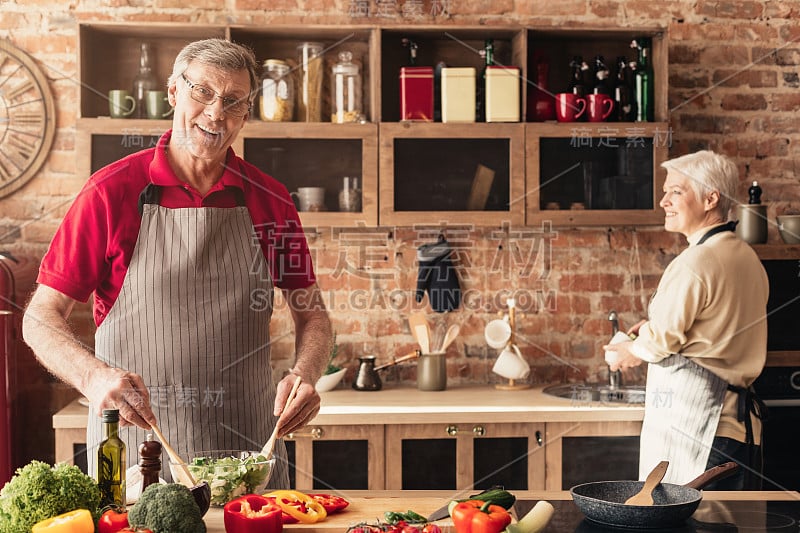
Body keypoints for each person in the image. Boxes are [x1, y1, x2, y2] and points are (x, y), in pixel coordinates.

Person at [22, 38, 332, 488]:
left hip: (247, 460)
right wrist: (91, 377)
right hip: (132, 456)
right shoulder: (110, 193)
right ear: (173, 93)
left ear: (246, 113)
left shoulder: (272, 201)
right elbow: (39, 317)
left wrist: (305, 374)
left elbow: (312, 314)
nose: (215, 113)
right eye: (202, 92)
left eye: (232, 101)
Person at [603, 150, 768, 490]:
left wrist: (629, 352)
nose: (664, 201)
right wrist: (649, 330)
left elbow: (663, 341)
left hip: (702, 433)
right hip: (738, 432)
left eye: (676, 191)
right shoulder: (746, 257)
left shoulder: (696, 261)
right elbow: (711, 329)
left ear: (710, 199)